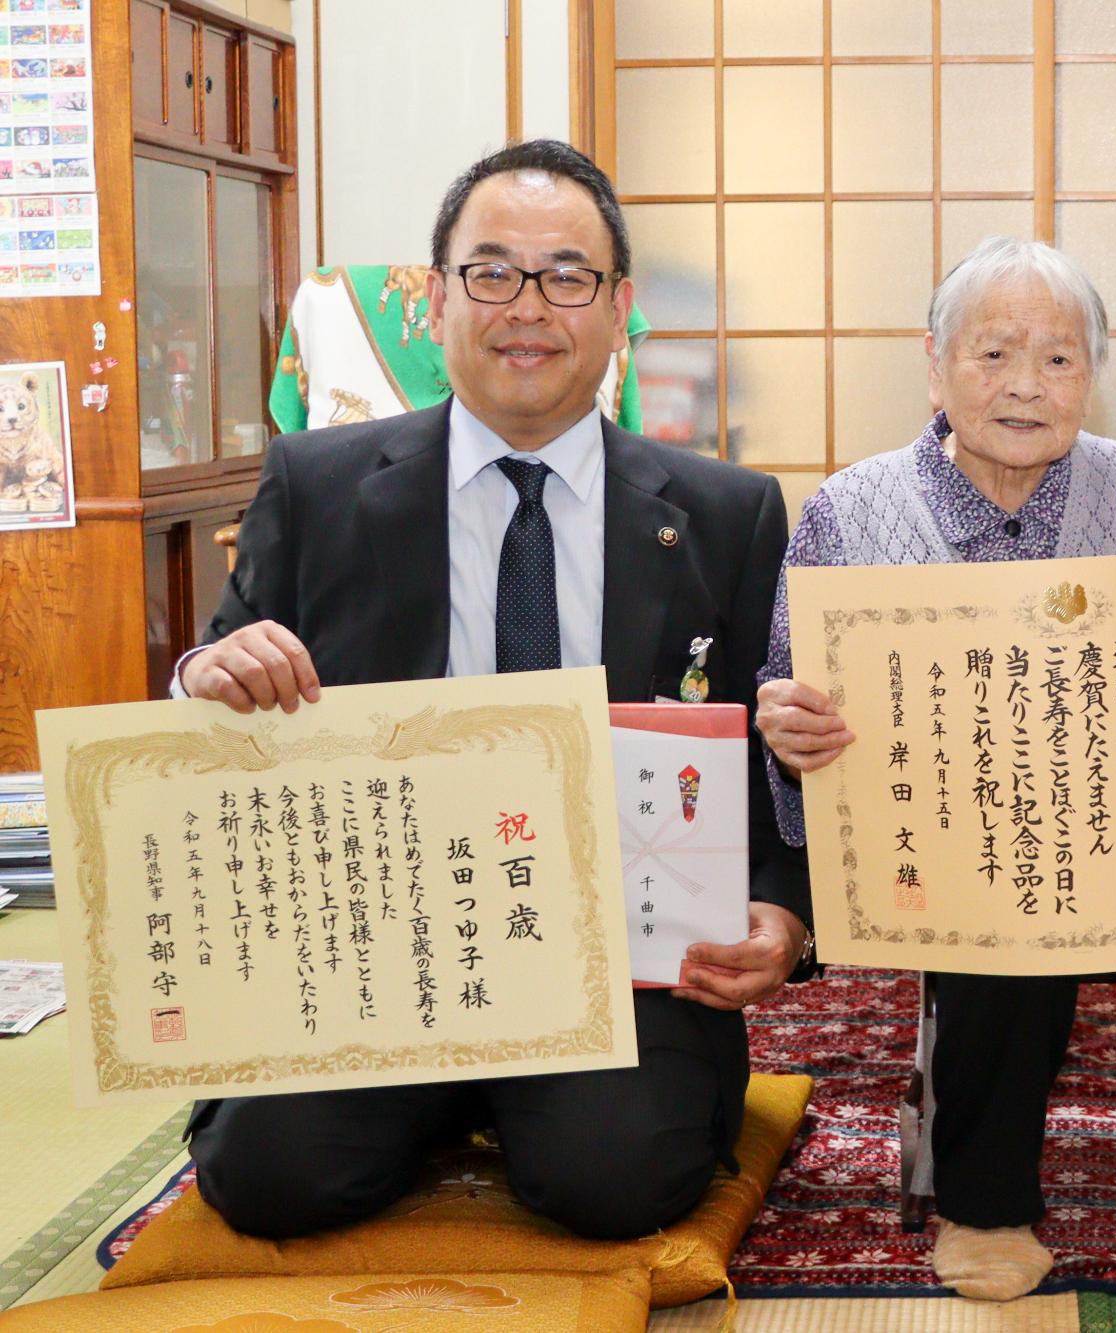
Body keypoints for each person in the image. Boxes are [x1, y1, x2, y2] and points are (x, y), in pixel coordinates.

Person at [173, 139, 813, 1241]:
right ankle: (428, 1101)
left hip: (627, 954)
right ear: (436, 299)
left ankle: (516, 1110)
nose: (529, 306)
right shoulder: (317, 484)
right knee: (267, 1181)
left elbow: (771, 756)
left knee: (614, 1183)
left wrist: (785, 914)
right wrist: (203, 676)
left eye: (567, 276)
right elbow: (219, 673)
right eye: (491, 272)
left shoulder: (728, 511)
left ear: (617, 311)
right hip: (383, 942)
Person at [753, 238, 1116, 1309]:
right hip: (957, 841)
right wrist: (791, 723)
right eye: (994, 352)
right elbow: (787, 688)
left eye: (1058, 359)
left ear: (1091, 374)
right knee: (997, 939)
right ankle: (984, 1200)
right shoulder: (850, 510)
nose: (1024, 384)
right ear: (934, 364)